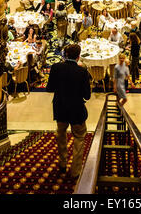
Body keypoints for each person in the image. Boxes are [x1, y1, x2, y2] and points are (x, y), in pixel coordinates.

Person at [46, 44, 91, 179]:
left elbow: (49, 89)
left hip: (60, 109)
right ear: (78, 56)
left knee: (61, 136)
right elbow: (87, 96)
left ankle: (62, 163)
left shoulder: (56, 68)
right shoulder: (82, 72)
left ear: (65, 55)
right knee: (79, 138)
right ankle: (76, 171)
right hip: (77, 110)